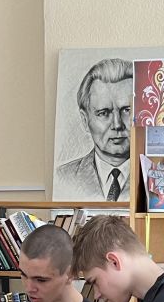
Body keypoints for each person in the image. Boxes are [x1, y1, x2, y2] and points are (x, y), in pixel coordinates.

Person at [54, 58, 133, 202]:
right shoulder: (63, 178)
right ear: (85, 120)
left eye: (127, 110)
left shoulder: (158, 177)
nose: (117, 124)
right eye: (103, 113)